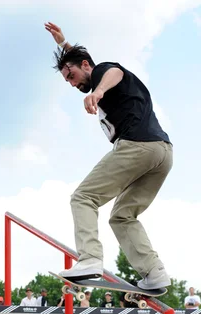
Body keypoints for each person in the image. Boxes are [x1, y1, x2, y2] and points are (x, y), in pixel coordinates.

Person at [45, 22, 173, 292]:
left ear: (85, 66)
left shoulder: (103, 72)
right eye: (67, 81)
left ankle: (90, 258)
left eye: (71, 76)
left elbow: (110, 71)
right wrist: (64, 45)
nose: (72, 83)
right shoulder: (88, 66)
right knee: (123, 215)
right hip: (162, 153)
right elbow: (82, 61)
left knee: (83, 197)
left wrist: (99, 91)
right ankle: (154, 272)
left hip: (137, 146)